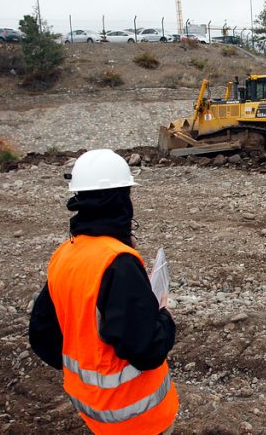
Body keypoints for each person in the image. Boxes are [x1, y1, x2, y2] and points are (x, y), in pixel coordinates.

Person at [29, 149, 178, 435]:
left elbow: (43, 337)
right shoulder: (119, 263)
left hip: (92, 410)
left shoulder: (64, 255)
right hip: (138, 420)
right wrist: (164, 316)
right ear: (123, 199)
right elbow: (147, 350)